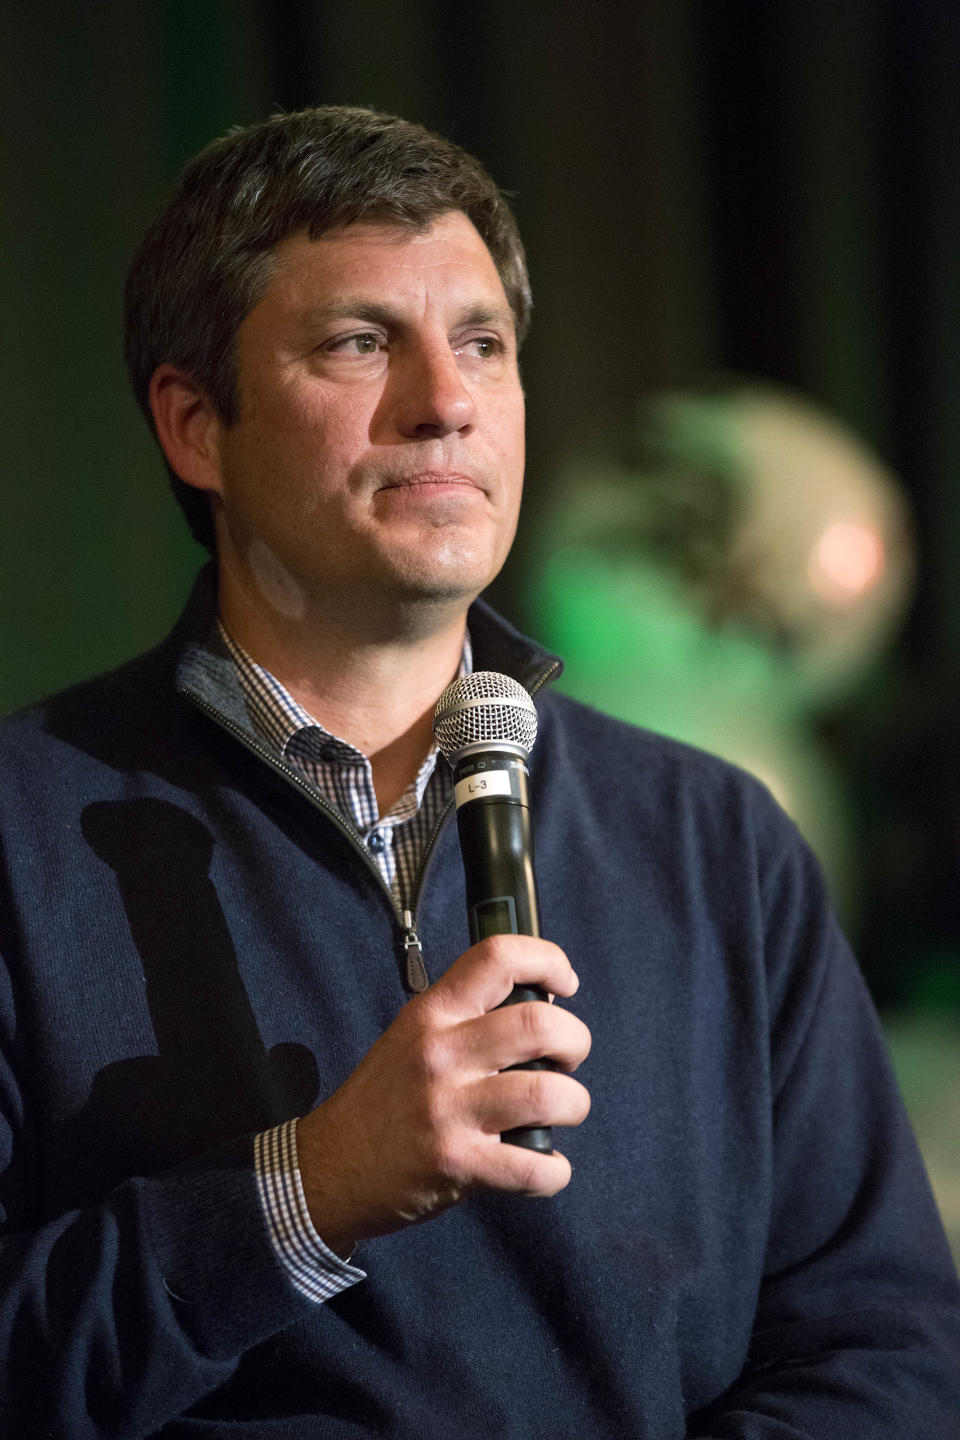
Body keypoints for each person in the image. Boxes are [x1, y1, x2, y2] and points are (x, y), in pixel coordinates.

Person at [0, 106, 956, 1440]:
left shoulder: (714, 838)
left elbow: (886, 1349)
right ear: (194, 425)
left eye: (483, 345)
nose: (446, 402)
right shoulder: (18, 829)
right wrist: (304, 1193)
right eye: (358, 342)